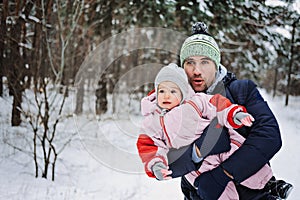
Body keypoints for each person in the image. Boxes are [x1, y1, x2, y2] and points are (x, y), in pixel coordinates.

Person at [166, 22, 293, 200]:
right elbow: (167, 157)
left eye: (204, 62)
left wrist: (223, 174)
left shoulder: (241, 90)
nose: (196, 70)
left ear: (216, 64)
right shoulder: (173, 102)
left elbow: (269, 136)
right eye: (190, 62)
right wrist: (199, 151)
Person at [136, 63, 274, 200]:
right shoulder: (153, 121)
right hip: (198, 169)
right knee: (217, 193)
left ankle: (271, 185)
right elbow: (149, 145)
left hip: (223, 147)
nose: (166, 96)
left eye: (173, 91)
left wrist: (235, 115)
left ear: (183, 92)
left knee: (250, 167)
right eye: (162, 91)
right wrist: (156, 164)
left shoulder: (196, 102)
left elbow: (218, 105)